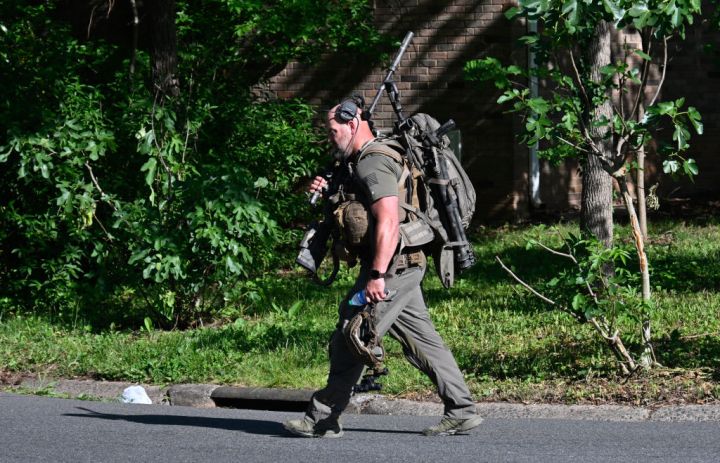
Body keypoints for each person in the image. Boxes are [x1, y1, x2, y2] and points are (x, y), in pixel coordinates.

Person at [283, 97, 482, 438]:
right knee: (424, 340)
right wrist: (328, 189)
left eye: (333, 131)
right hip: (403, 264)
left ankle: (322, 418)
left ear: (352, 123)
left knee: (353, 332)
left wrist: (376, 276)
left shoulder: (372, 163)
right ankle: (461, 410)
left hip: (392, 267)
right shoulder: (360, 161)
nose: (330, 137)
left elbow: (388, 221)